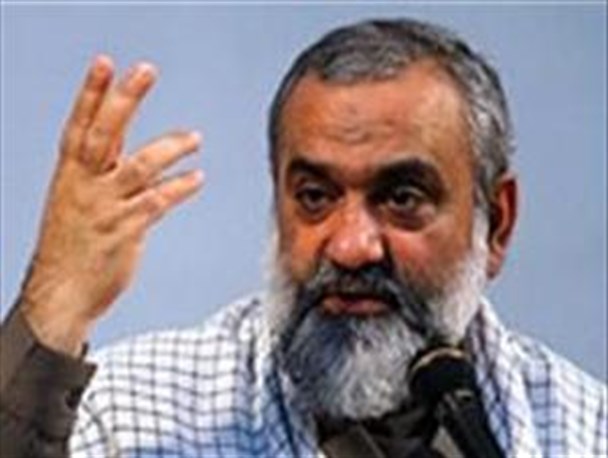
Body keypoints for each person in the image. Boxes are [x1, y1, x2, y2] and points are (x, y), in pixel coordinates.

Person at [0, 17, 606, 458]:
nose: (351, 246)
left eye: (401, 198)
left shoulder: (584, 432)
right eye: (315, 197)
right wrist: (56, 305)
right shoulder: (129, 416)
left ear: (495, 223)